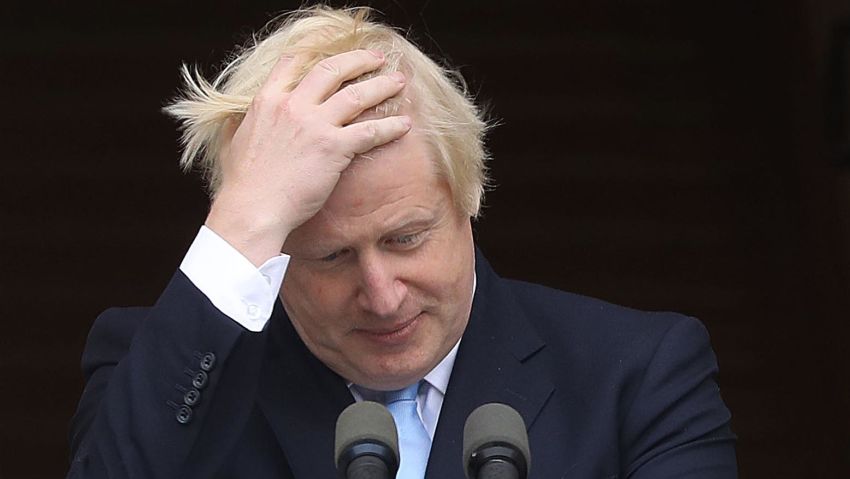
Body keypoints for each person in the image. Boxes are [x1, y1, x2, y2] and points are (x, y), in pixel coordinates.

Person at [67, 5, 737, 478]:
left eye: (407, 237)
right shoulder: (158, 369)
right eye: (331, 255)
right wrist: (241, 218)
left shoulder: (638, 376)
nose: (383, 295)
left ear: (468, 200)